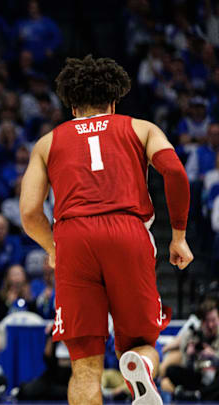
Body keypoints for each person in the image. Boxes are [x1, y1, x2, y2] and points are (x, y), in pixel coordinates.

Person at [20, 55, 194, 405]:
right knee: (141, 342)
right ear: (114, 101)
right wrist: (178, 236)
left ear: (71, 105)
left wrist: (55, 250)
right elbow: (175, 173)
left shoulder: (47, 143)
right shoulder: (140, 127)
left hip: (72, 236)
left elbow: (28, 213)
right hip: (126, 231)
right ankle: (141, 363)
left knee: (84, 367)